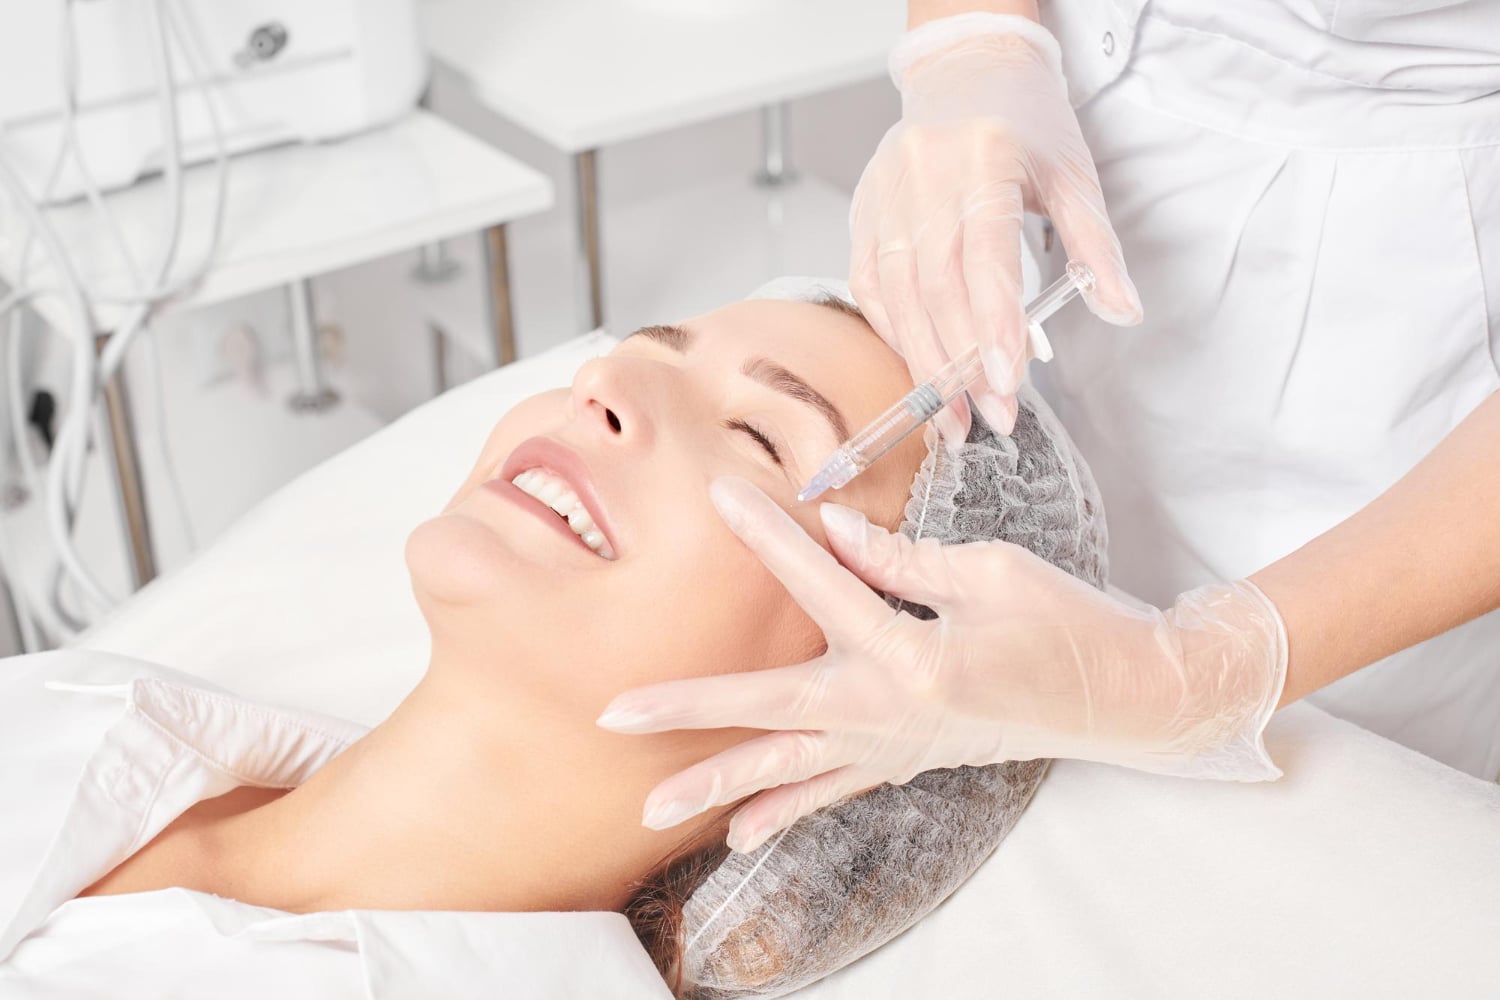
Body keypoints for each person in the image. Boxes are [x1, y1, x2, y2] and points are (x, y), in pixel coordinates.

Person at [596, 0, 1500, 851]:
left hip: (1399, 377)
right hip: (1056, 116)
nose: (599, 383)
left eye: (764, 439)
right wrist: (973, 41)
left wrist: (1205, 672)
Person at [0, 292, 947, 997]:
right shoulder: (74, 708)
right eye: (641, 349)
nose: (602, 384)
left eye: (760, 439)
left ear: (861, 711)